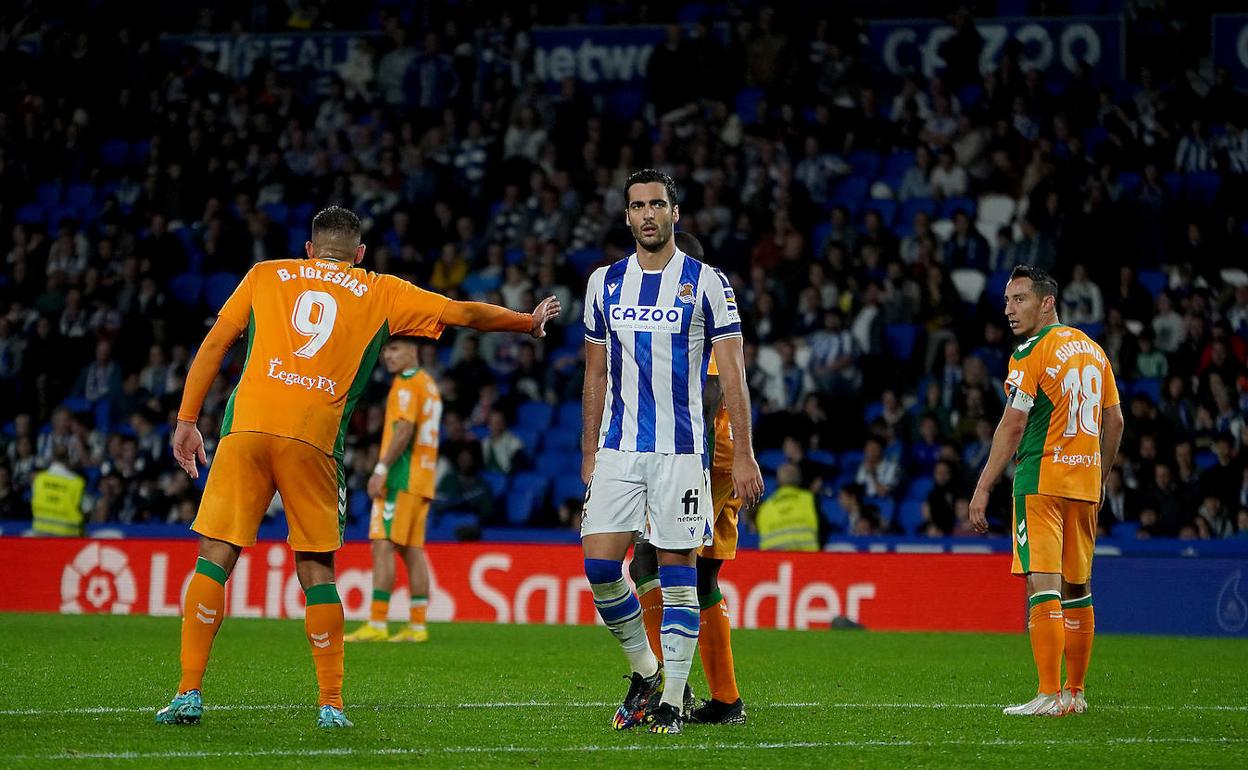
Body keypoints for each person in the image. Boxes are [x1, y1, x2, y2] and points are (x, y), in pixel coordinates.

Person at [157, 206, 560, 729]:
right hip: (314, 439)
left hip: (247, 428)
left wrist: (187, 419)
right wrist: (526, 322)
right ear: (359, 254)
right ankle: (330, 704)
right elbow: (463, 313)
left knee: (215, 556)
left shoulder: (265, 274)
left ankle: (189, 692)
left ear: (308, 248)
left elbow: (214, 343)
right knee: (316, 568)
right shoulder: (380, 289)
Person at [579, 170, 762, 736]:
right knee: (601, 566)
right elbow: (594, 375)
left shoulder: (708, 283)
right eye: (638, 206)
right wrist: (588, 452)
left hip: (682, 453)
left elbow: (732, 373)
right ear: (627, 216)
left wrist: (748, 453)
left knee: (681, 576)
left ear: (675, 213)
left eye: (658, 204)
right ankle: (646, 670)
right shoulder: (603, 283)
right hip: (618, 448)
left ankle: (673, 701)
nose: (648, 214)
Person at [969, 265, 1124, 717]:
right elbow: (1114, 421)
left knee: (1043, 583)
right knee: (1079, 587)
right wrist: (1100, 474)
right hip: (1084, 484)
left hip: (1040, 482)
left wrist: (982, 488)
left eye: (1019, 299)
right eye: (1006, 301)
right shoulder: (1095, 352)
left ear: (1046, 302)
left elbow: (1013, 425)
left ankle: (1046, 693)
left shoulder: (1031, 352)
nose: (1008, 310)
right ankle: (1075, 693)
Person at [629, 231, 748, 727]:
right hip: (718, 450)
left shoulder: (699, 298)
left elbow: (717, 384)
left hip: (701, 449)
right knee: (702, 576)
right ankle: (725, 700)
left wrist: (686, 456)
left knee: (648, 561)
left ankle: (664, 683)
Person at [344, 336, 442, 644]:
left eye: (395, 348)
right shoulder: (429, 386)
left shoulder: (406, 384)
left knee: (382, 544)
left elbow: (404, 429)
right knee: (412, 551)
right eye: (386, 350)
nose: (388, 355)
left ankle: (377, 621)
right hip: (423, 478)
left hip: (401, 478)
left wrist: (381, 469)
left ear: (413, 351)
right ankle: (417, 625)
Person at [754, 463, 819, 551]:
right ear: (799, 479)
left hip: (773, 562)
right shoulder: (810, 499)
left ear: (778, 481)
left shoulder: (765, 507)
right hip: (806, 560)